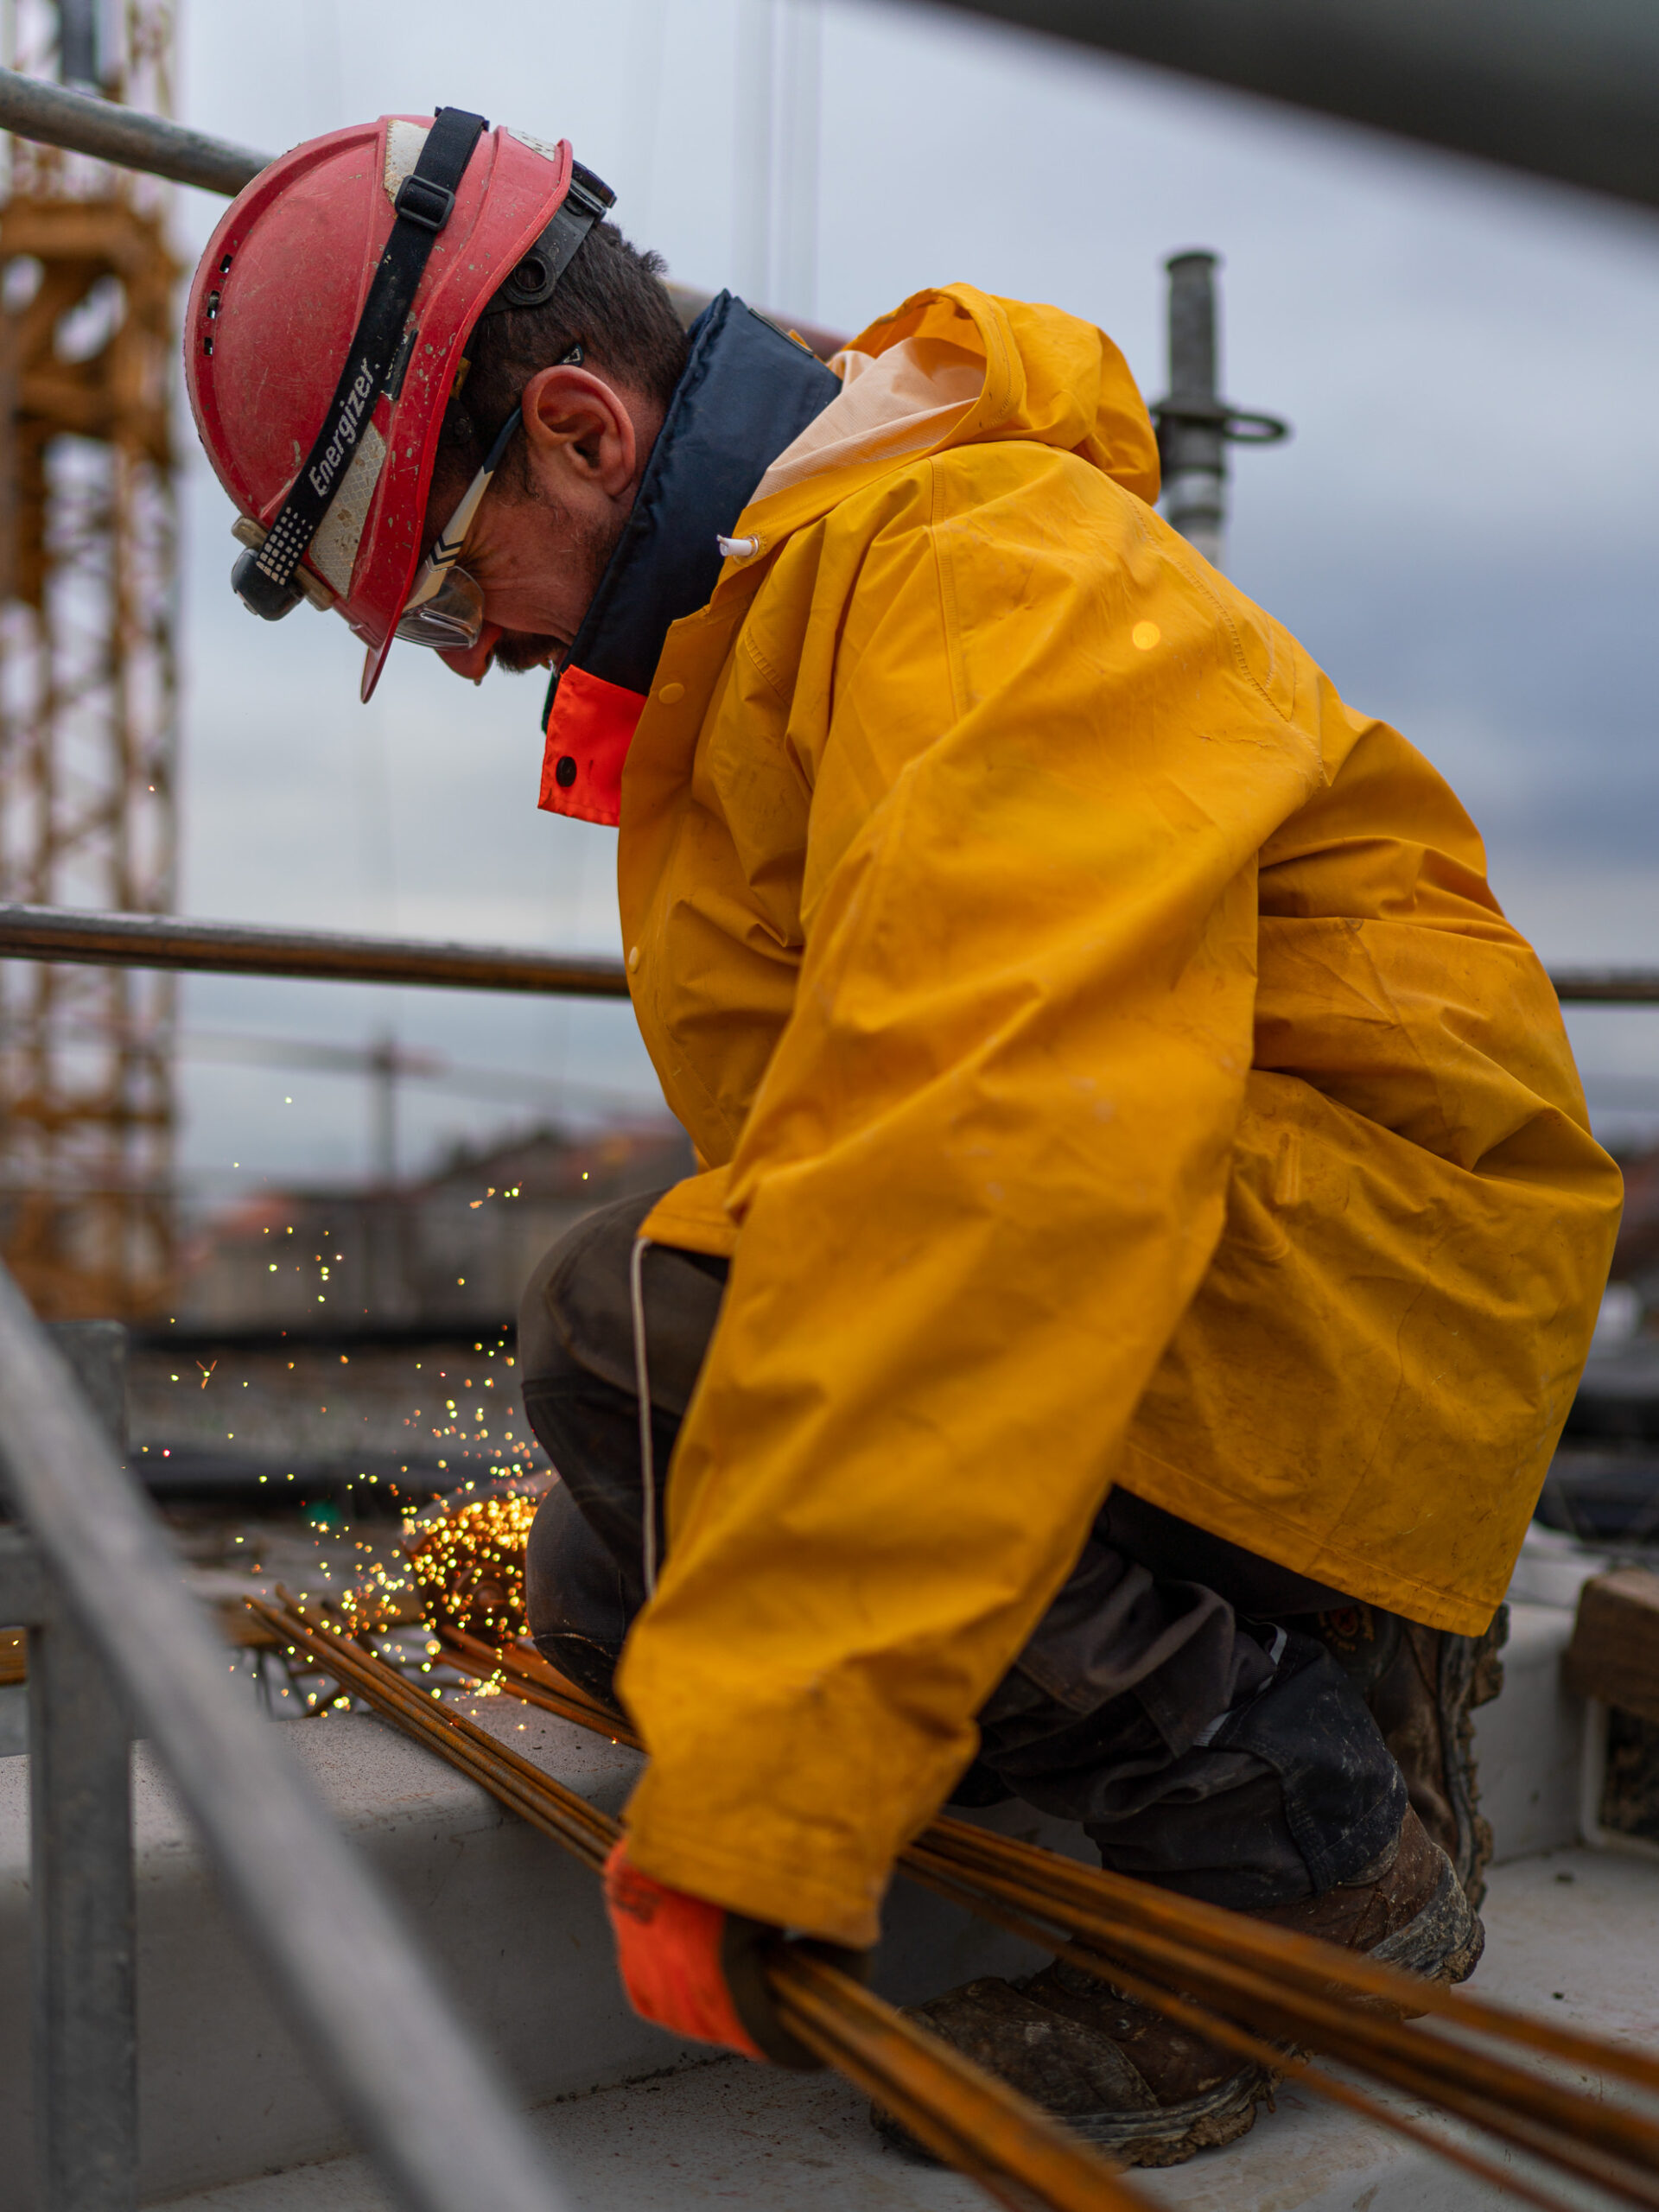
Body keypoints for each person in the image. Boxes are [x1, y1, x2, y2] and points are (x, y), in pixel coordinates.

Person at [187, 111, 1622, 2163]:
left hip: (1356, 1311)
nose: (473, 650)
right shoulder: (775, 628)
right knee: (605, 1579)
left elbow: (979, 1186)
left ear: (581, 431)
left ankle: (1290, 1847)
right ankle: (1300, 1664)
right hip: (1260, 1279)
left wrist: (771, 1809)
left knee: (622, 1321)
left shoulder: (968, 577)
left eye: (435, 588)